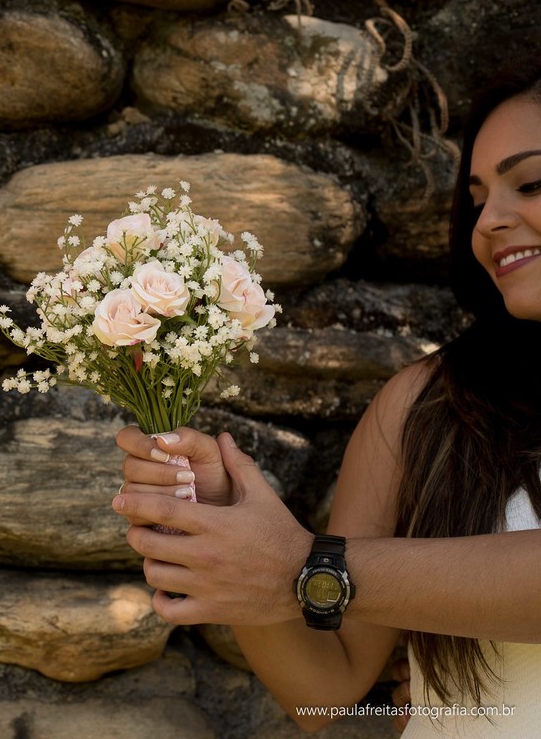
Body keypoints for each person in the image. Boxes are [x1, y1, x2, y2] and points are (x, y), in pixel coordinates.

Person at [111, 49, 541, 737]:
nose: (488, 220)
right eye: (479, 197)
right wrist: (224, 528)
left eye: (532, 184)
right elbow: (326, 686)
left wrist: (305, 564)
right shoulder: (427, 406)